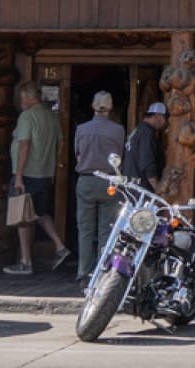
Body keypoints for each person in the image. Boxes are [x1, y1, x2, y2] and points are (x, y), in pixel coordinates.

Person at [5, 81, 70, 276]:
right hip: (44, 173)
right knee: (41, 213)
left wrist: (18, 177)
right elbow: (61, 143)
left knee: (22, 217)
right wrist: (51, 164)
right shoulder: (51, 116)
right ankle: (60, 247)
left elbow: (24, 145)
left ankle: (25, 262)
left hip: (27, 174)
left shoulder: (27, 116)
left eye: (21, 98)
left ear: (26, 97)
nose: (20, 101)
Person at [73, 91, 128, 281]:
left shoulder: (81, 129)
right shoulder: (118, 130)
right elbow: (119, 157)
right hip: (108, 180)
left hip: (86, 178)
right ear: (110, 107)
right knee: (106, 229)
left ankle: (83, 271)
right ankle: (102, 270)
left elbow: (78, 155)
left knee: (85, 229)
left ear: (93, 106)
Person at [124, 101, 168, 191]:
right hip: (142, 189)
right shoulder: (147, 133)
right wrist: (157, 189)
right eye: (165, 119)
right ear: (157, 116)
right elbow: (147, 163)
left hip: (131, 185)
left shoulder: (138, 130)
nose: (165, 123)